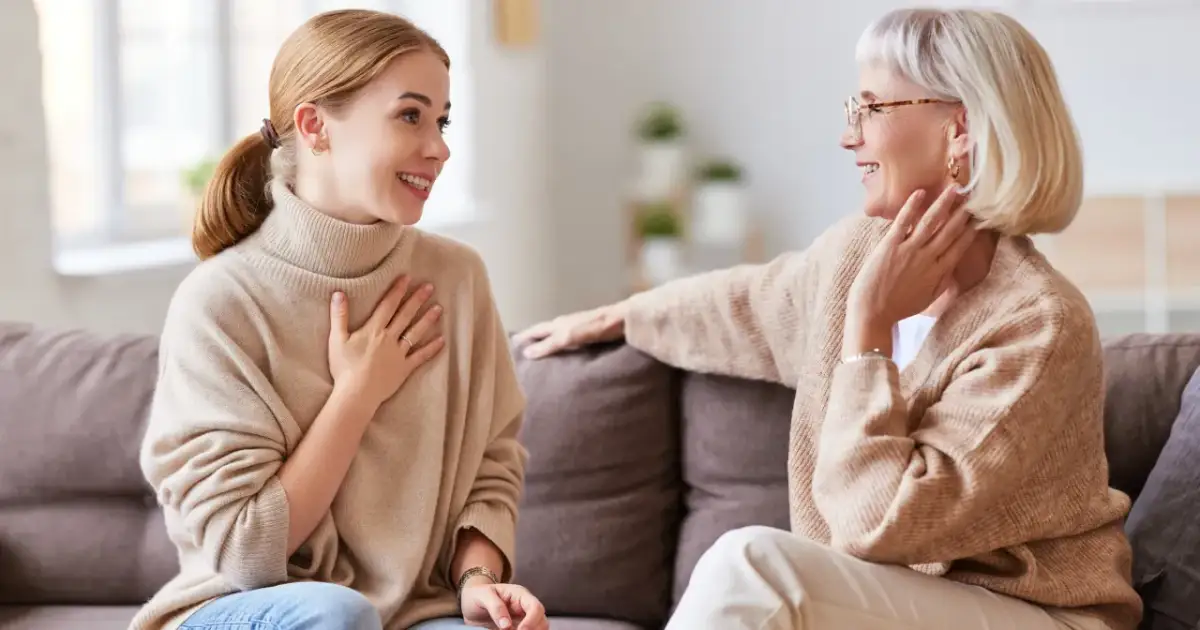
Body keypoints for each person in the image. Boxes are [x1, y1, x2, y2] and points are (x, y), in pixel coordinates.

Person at [516, 8, 1140, 630]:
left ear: (961, 130)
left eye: (871, 108)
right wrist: (622, 315)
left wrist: (869, 332)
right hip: (886, 609)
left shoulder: (1040, 324)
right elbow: (747, 306)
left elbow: (884, 521)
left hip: (1043, 617)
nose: (850, 137)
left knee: (754, 566)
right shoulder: (855, 255)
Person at [131, 9, 547, 630]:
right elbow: (247, 553)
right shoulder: (220, 302)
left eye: (441, 119)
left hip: (408, 611)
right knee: (338, 614)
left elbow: (492, 463)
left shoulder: (457, 279)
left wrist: (478, 580)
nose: (439, 147)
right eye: (410, 115)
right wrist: (357, 393)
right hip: (243, 606)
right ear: (315, 126)